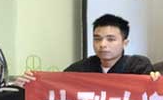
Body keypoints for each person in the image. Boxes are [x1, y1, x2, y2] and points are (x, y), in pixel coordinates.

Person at [14, 14, 152, 86]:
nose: (102, 44)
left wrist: (156, 82)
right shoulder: (81, 68)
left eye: (110, 39)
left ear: (124, 43)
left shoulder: (138, 66)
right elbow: (56, 85)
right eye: (97, 39)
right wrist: (31, 84)